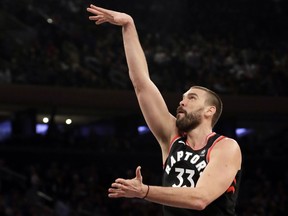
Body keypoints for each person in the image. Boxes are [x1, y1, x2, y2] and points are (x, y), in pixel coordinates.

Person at [87, 4, 242, 216]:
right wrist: (128, 25)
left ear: (209, 111)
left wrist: (144, 191)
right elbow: (141, 83)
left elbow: (200, 198)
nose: (182, 102)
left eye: (192, 98)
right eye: (182, 98)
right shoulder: (172, 136)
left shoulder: (226, 147)